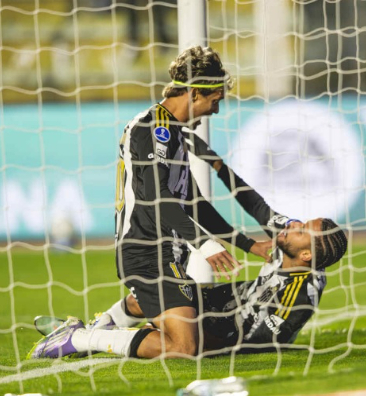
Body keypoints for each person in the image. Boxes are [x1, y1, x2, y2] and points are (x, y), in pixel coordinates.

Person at [74, 46, 273, 360]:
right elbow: (157, 198)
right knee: (184, 347)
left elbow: (194, 204)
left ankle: (114, 318)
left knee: (211, 338)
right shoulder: (153, 128)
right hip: (146, 252)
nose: (215, 111)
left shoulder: (174, 134)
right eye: (215, 101)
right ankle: (83, 338)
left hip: (167, 253)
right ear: (194, 93)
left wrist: (249, 245)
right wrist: (204, 244)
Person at [27, 217, 347, 359]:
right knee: (150, 295)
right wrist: (217, 165)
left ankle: (80, 338)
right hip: (228, 301)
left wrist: (204, 338)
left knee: (179, 342)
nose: (293, 225)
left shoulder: (299, 294)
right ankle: (100, 325)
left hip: (230, 329)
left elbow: (258, 339)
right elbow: (256, 204)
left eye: (301, 230)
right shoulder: (293, 250)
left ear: (306, 256)